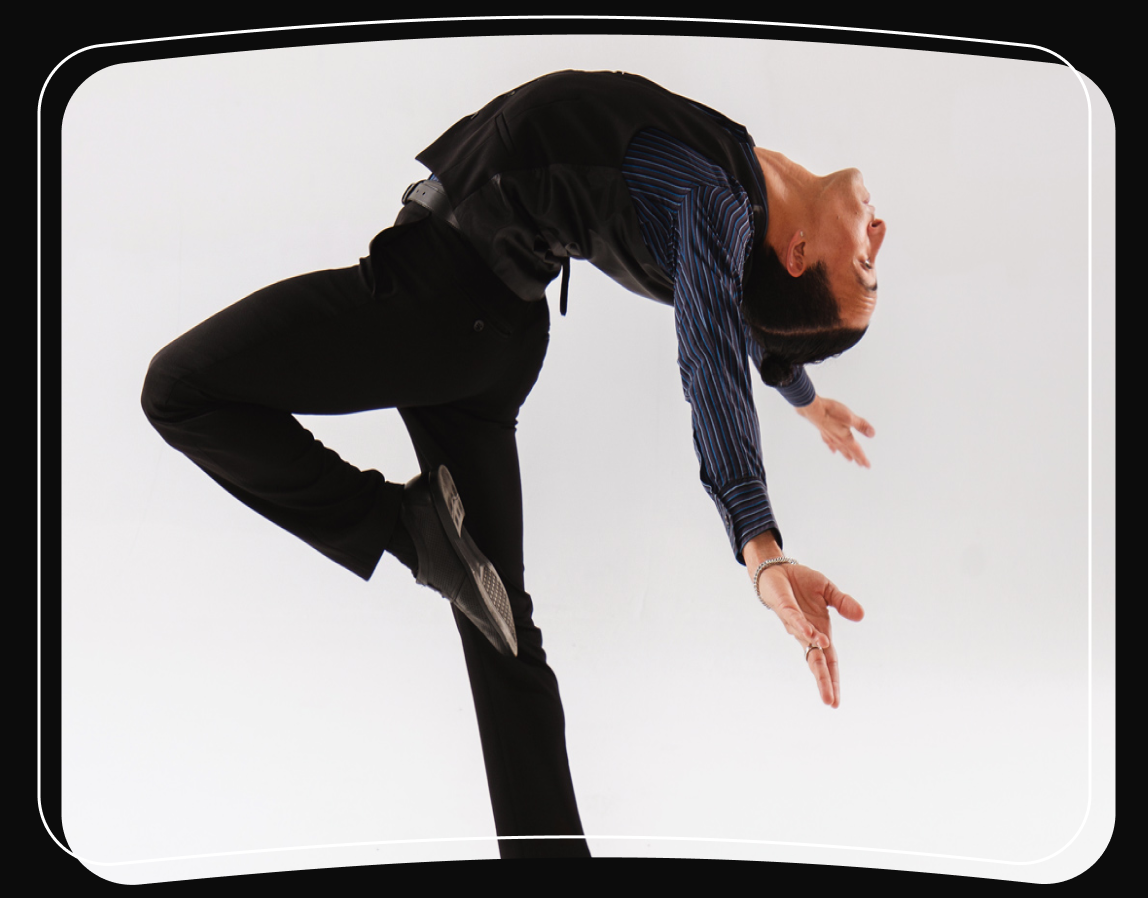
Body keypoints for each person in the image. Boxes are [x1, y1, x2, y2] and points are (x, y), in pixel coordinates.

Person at [141, 70, 882, 859]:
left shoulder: (717, 206)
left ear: (799, 254)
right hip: (492, 329)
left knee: (178, 390)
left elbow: (712, 358)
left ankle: (405, 527)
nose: (879, 235)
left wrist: (760, 547)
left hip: (434, 303)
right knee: (502, 638)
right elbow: (736, 315)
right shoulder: (740, 203)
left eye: (867, 265)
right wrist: (805, 397)